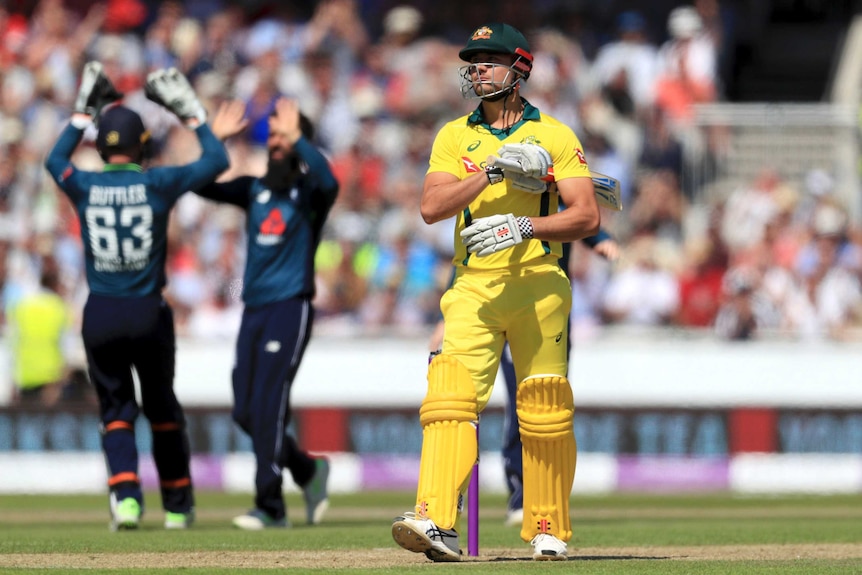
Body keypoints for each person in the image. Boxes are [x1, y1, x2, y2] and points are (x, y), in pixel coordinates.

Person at [391, 23, 600, 562]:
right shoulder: (454, 136)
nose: (478, 68)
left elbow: (586, 214)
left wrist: (525, 227)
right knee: (448, 398)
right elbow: (432, 208)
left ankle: (548, 526)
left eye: (490, 60)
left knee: (545, 404)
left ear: (519, 69)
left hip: (539, 284)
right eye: (474, 61)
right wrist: (489, 172)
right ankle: (435, 520)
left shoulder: (555, 134)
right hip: (473, 286)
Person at [44, 62, 243, 531]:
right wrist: (194, 115)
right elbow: (216, 163)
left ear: (102, 145)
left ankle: (127, 500)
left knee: (115, 410)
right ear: (143, 145)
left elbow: (54, 162)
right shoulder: (157, 182)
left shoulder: (86, 185)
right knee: (161, 408)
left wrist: (79, 113)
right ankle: (176, 505)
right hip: (148, 313)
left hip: (100, 315)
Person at [199, 96, 338, 530]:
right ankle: (307, 470)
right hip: (253, 310)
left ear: (300, 143)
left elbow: (330, 181)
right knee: (245, 411)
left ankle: (270, 506)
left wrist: (299, 138)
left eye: (284, 136)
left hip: (290, 307)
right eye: (273, 136)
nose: (275, 143)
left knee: (270, 404)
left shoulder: (310, 193)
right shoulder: (255, 188)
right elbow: (200, 183)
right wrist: (212, 141)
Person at [7, 256, 72, 407]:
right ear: (55, 286)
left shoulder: (21, 306)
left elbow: (13, 340)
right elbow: (66, 344)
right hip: (50, 379)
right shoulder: (60, 307)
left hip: (24, 376)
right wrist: (62, 377)